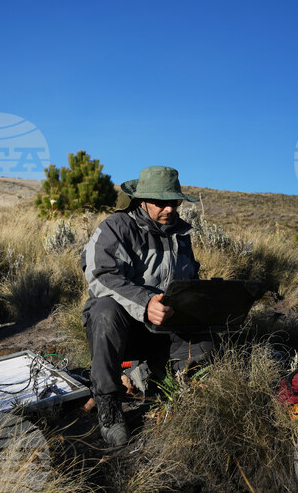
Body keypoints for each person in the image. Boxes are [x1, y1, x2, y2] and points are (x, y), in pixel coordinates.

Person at [81, 165, 214, 447]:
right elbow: (99, 276)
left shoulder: (181, 234)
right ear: (142, 200)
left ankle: (155, 382)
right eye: (160, 202)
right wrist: (145, 302)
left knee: (208, 346)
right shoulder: (116, 228)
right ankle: (109, 406)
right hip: (123, 331)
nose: (169, 209)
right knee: (104, 312)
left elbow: (188, 280)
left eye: (173, 202)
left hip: (165, 329)